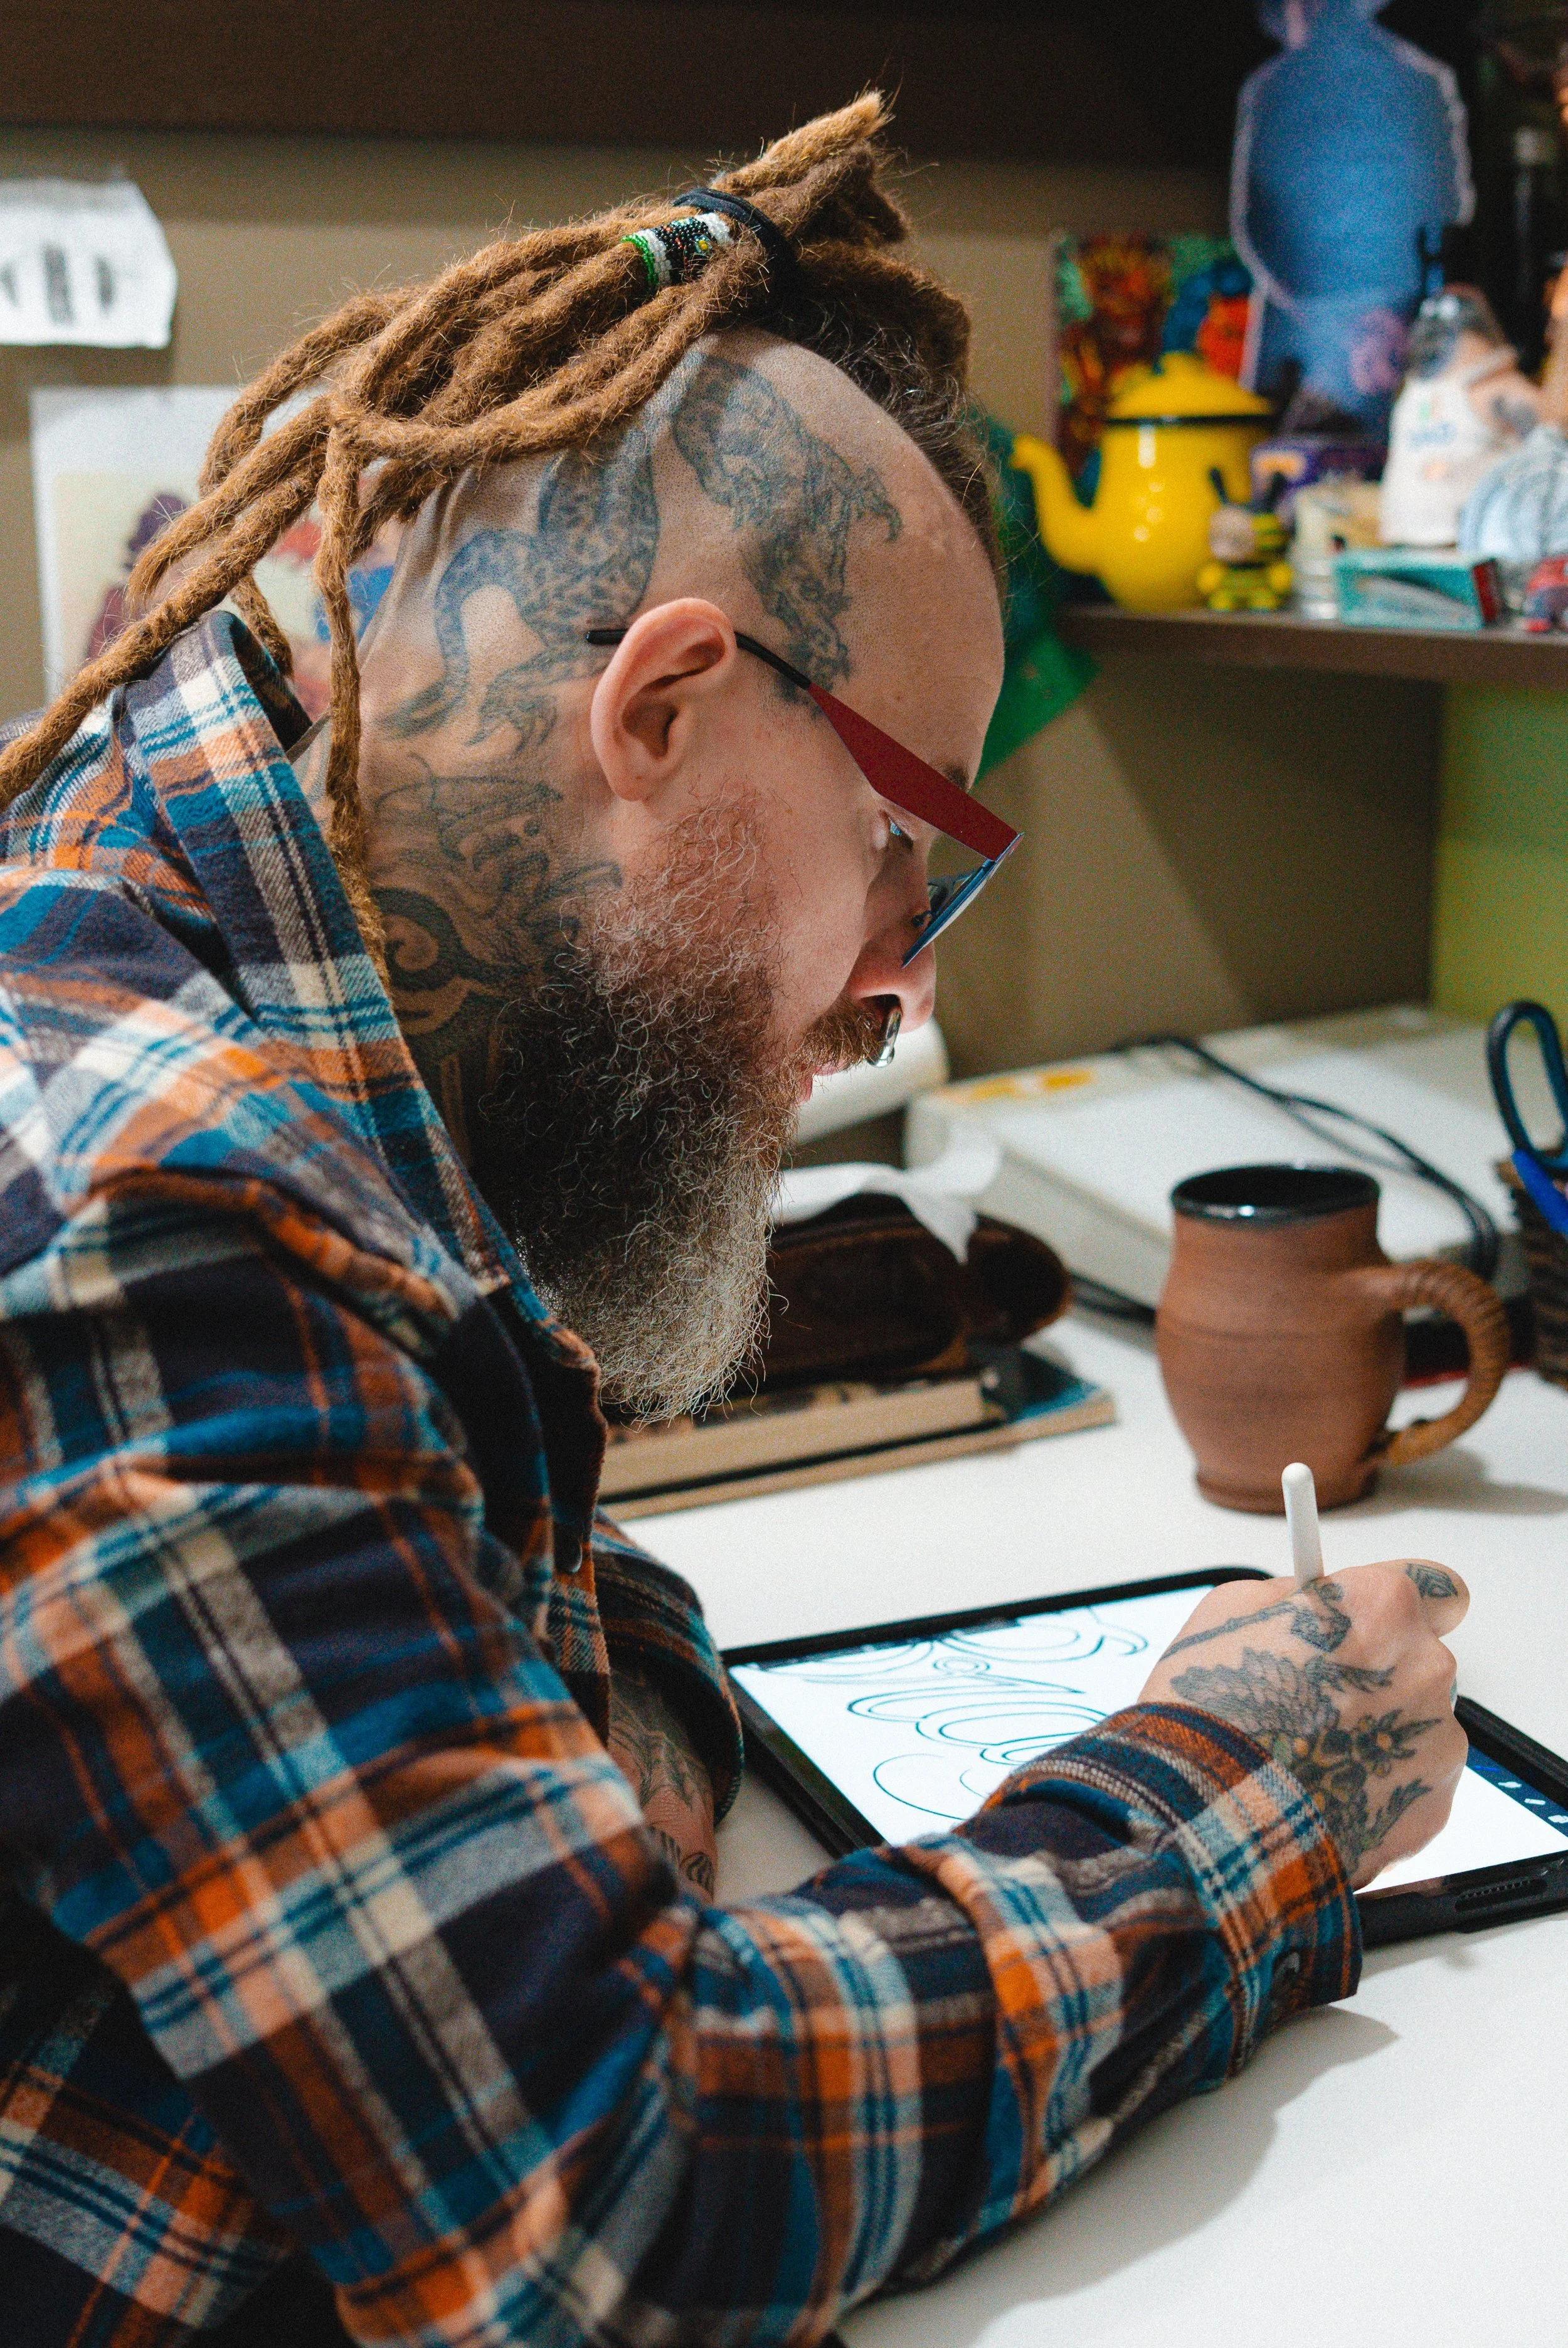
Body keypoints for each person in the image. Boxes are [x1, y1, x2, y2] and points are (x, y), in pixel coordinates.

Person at [0, 98, 1470, 2347]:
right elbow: (612, 2200)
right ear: (667, 704)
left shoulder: (245, 939)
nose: (909, 981)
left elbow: (526, 1591)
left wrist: (597, 1748)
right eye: (919, 856)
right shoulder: (144, 1194)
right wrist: (1250, 1790)